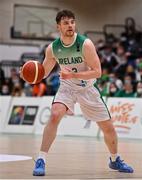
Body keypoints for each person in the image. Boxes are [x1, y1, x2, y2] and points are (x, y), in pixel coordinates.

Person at [20, 10, 134, 176]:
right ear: (58, 26)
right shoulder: (53, 48)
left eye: (72, 22)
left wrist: (73, 74)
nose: (70, 26)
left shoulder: (85, 44)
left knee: (108, 129)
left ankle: (115, 159)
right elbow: (43, 72)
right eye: (66, 23)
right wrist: (28, 76)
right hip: (67, 87)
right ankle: (41, 159)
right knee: (54, 115)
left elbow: (97, 72)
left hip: (88, 89)